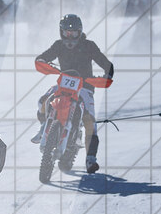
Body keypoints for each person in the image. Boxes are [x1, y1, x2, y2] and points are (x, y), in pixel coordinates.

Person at [32, 14, 114, 174]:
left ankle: (91, 159)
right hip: (64, 84)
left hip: (85, 87)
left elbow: (105, 62)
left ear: (80, 32)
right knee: (43, 100)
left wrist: (108, 74)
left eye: (74, 33)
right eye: (66, 33)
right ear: (61, 32)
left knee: (90, 120)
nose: (70, 37)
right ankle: (43, 126)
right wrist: (41, 60)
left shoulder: (89, 46)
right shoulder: (58, 45)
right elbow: (45, 56)